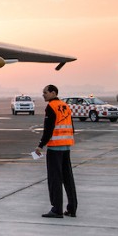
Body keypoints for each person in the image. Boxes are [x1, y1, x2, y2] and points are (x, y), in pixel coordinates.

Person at [35, 84, 78, 219]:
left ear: (53, 93)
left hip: (55, 148)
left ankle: (57, 209)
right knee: (68, 178)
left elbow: (48, 129)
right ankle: (72, 208)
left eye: (45, 92)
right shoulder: (65, 106)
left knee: (55, 179)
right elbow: (72, 126)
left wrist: (40, 145)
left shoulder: (51, 107)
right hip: (66, 146)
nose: (43, 95)